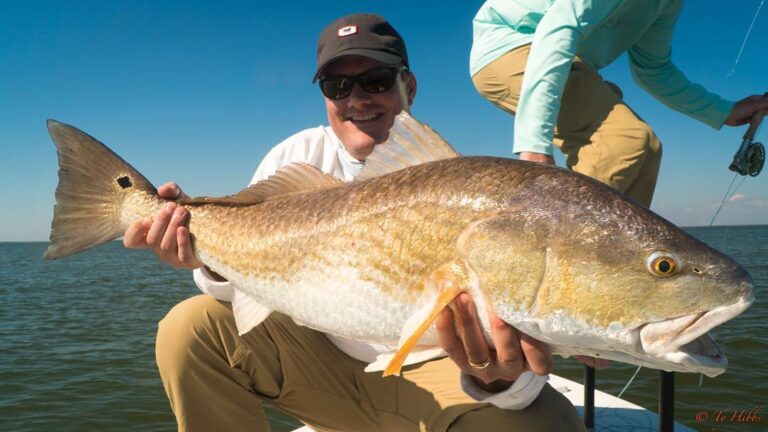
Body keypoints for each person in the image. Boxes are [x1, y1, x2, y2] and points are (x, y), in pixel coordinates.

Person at [124, 13, 586, 432]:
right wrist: (201, 255)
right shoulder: (294, 157)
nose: (357, 98)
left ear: (410, 86)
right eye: (337, 87)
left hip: (437, 369)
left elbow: (507, 361)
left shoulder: (460, 187)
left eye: (376, 80)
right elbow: (243, 285)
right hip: (322, 370)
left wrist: (495, 378)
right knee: (190, 327)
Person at [470, 0, 768, 207]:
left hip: (568, 61)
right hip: (510, 48)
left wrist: (723, 110)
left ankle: (614, 275)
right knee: (626, 141)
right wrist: (534, 146)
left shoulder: (668, 3)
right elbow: (558, 29)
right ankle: (546, 261)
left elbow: (654, 69)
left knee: (648, 150)